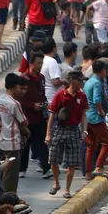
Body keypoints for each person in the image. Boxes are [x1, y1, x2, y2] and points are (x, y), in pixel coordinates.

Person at [46, 70, 87, 199]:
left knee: (72, 162)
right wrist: (48, 133)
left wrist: (85, 130)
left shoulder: (82, 97)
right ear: (72, 81)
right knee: (53, 158)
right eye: (80, 80)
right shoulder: (60, 95)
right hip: (60, 129)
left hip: (74, 130)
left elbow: (83, 116)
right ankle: (56, 183)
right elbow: (52, 116)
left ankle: (67, 189)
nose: (82, 83)